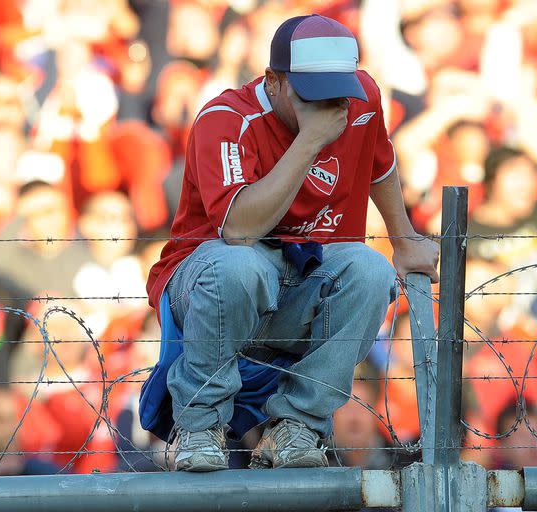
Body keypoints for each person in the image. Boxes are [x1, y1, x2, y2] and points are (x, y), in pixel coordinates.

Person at [143, 14, 438, 472]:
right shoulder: (225, 118)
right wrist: (310, 141)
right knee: (243, 267)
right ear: (274, 81)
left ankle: (297, 425)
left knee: (371, 269)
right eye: (311, 95)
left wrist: (403, 241)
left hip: (301, 280)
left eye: (335, 93)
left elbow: (381, 162)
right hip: (208, 284)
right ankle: (200, 426)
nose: (328, 106)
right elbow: (239, 231)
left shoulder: (361, 98)